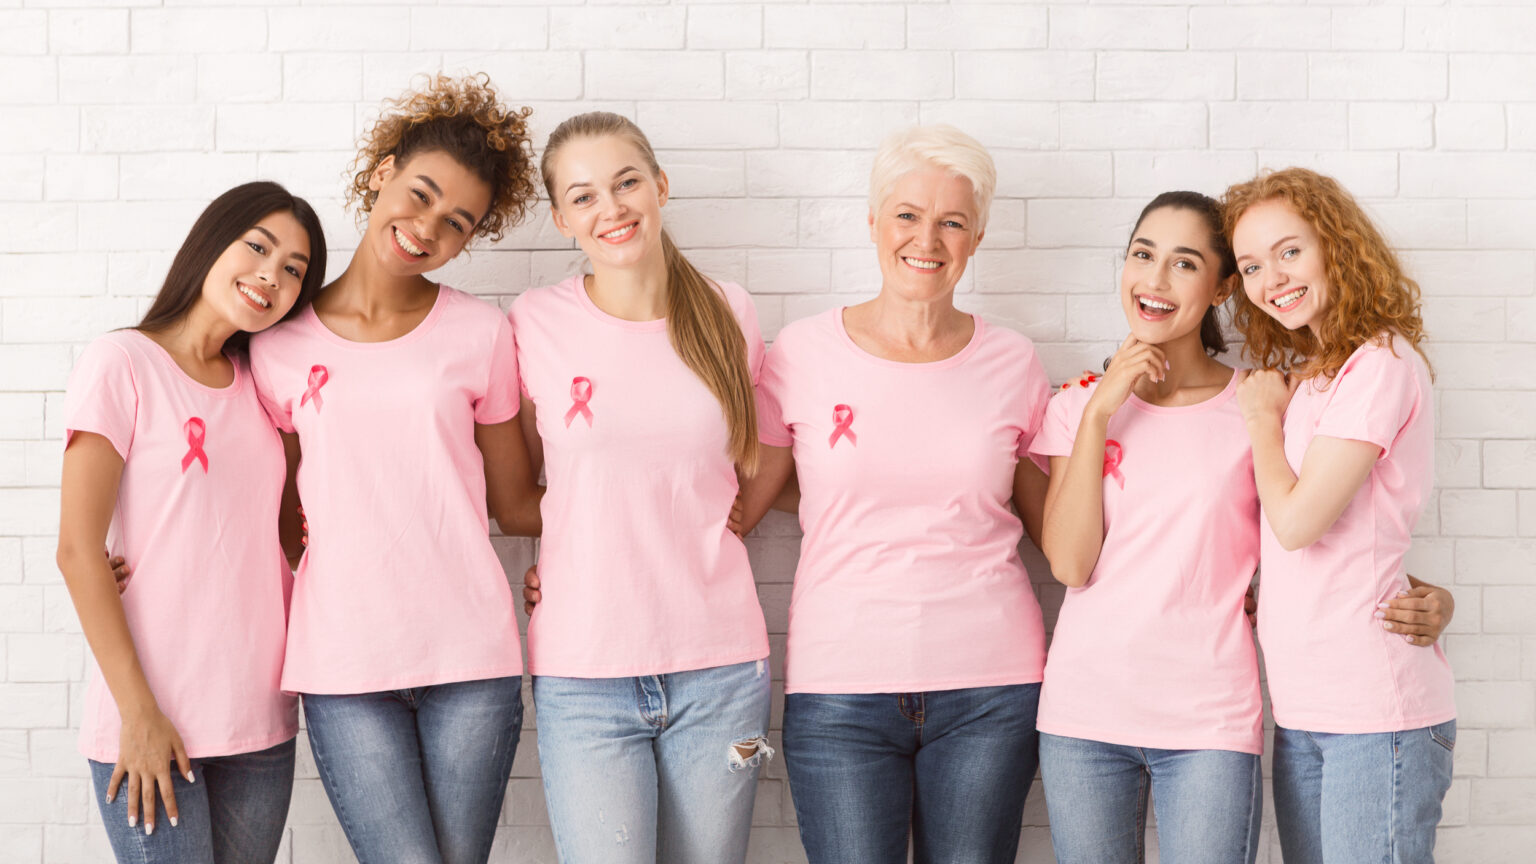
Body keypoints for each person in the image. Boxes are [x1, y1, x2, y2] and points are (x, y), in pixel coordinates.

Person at [247, 74, 543, 864]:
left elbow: (517, 504)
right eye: (418, 194)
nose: (426, 229)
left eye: (456, 223)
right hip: (344, 660)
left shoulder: (481, 333)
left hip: (470, 655)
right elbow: (265, 503)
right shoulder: (276, 345)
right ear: (382, 173)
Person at [735, 125, 1051, 864]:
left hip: (991, 687)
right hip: (840, 687)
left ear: (976, 237)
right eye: (908, 215)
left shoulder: (1013, 361)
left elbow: (1060, 528)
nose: (928, 239)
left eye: (952, 221)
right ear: (873, 222)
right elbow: (744, 506)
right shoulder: (802, 355)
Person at [511, 111, 772, 864]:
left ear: (660, 186)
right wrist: (566, 554)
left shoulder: (730, 311)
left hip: (722, 670)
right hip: (582, 671)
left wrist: (722, 532)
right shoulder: (536, 322)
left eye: (627, 182)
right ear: (562, 218)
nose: (612, 208)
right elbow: (536, 483)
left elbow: (760, 456)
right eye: (585, 196)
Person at [58, 181, 326, 863]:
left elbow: (293, 533)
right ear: (211, 242)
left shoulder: (263, 385)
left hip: (260, 719)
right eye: (259, 247)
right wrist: (137, 714)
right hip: (153, 717)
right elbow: (77, 551)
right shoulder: (122, 363)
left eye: (294, 269)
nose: (272, 275)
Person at [1228, 167, 1456, 864]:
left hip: (1374, 711)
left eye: (1289, 251)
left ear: (1336, 245)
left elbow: (1299, 524)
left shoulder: (1379, 363)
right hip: (1305, 709)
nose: (1273, 278)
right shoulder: (1319, 374)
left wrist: (1262, 420)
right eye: (1251, 265)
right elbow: (1354, 532)